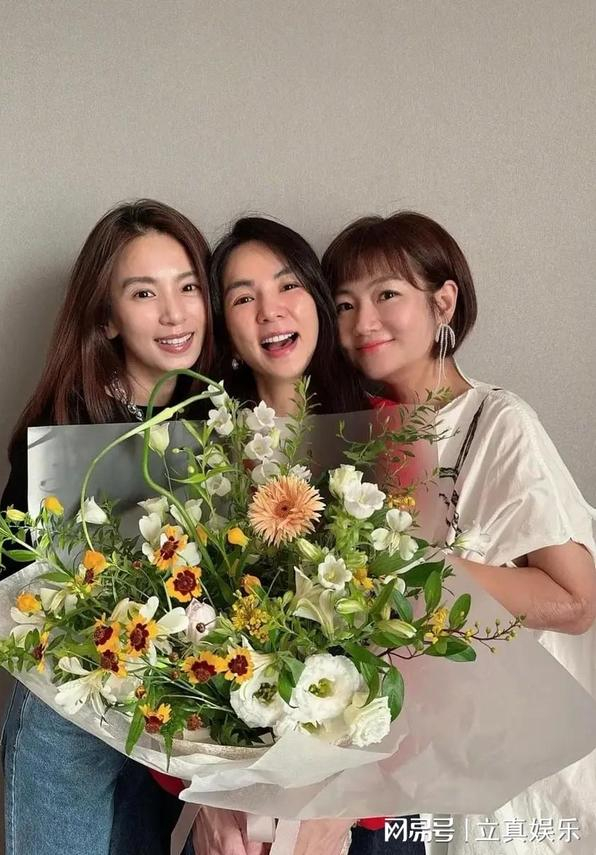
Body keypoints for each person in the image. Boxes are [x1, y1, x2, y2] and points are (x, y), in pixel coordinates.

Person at [322, 210, 596, 855]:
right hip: (405, 752)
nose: (363, 323)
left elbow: (575, 600)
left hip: (499, 753)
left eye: (387, 295)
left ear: (442, 302)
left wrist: (411, 569)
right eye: (344, 304)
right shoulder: (353, 435)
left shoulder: (498, 421)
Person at [153, 217, 418, 855]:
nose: (270, 310)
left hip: (366, 810)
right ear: (225, 329)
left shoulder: (393, 434)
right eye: (243, 297)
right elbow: (162, 646)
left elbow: (421, 645)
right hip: (231, 811)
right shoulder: (198, 452)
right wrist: (209, 795)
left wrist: (341, 808)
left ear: (319, 301)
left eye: (288, 285)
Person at [0, 198, 215, 855]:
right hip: (69, 717)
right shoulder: (67, 426)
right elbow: (7, 572)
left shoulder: (218, 420)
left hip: (176, 718)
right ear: (107, 317)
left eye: (188, 287)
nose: (174, 313)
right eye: (144, 293)